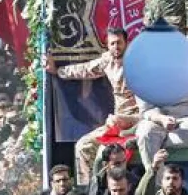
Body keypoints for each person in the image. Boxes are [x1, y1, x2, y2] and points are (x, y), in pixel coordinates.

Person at [47, 27, 139, 186]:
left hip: (139, 120)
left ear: (127, 43)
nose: (116, 47)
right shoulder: (107, 60)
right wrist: (58, 71)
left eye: (119, 43)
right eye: (112, 44)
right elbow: (84, 69)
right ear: (107, 45)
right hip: (118, 122)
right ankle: (86, 190)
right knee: (83, 146)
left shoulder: (139, 63)